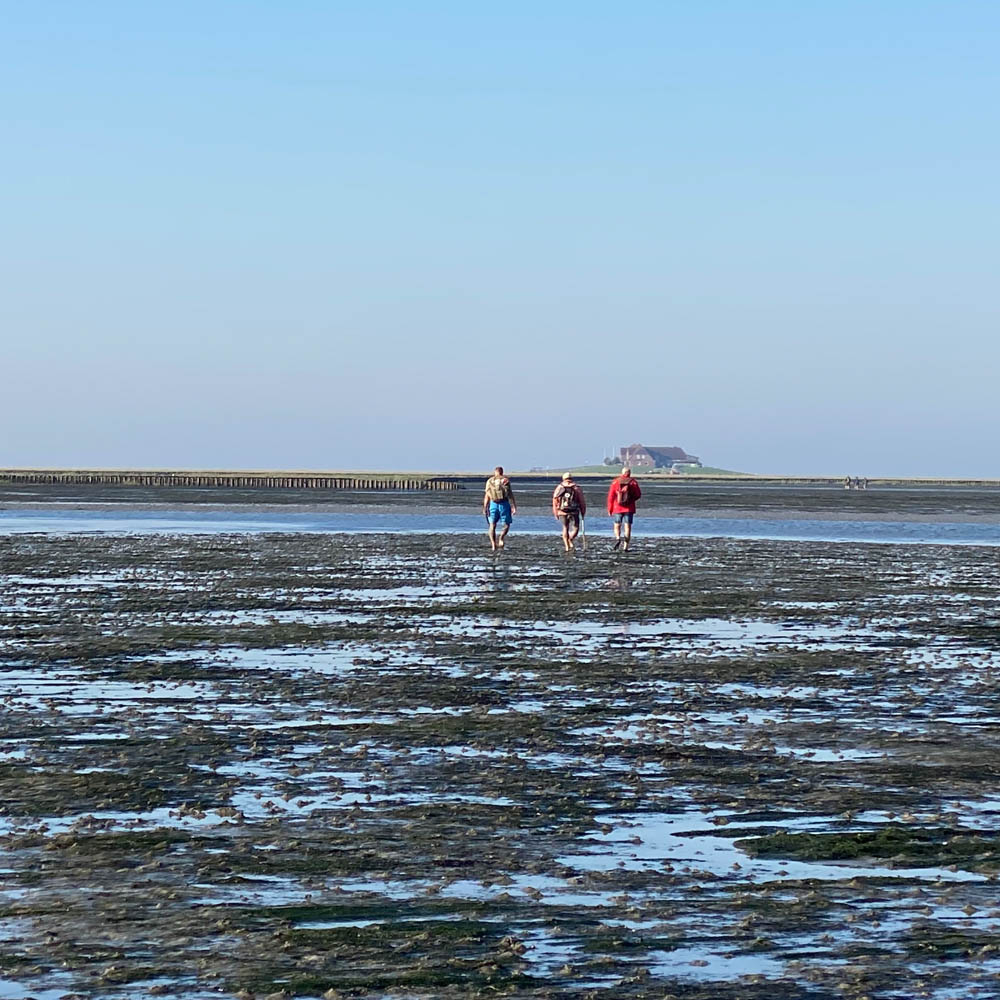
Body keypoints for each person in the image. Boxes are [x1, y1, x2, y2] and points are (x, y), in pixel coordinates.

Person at [482, 466, 517, 551]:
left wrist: (513, 505)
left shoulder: (505, 481)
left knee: (505, 524)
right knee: (492, 525)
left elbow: (510, 493)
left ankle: (501, 538)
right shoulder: (490, 481)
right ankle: (494, 544)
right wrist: (485, 507)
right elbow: (487, 495)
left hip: (503, 503)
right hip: (494, 503)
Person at [607, 466, 641, 550]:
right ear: (629, 473)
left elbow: (611, 496)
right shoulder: (633, 482)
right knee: (627, 527)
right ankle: (625, 547)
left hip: (617, 507)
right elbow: (638, 495)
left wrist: (610, 508)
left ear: (622, 473)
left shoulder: (616, 482)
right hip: (629, 508)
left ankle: (618, 538)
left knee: (617, 525)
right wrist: (631, 500)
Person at [552, 472, 586, 552]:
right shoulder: (576, 488)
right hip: (574, 511)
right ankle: (570, 539)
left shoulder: (559, 487)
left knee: (565, 528)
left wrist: (555, 512)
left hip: (562, 511)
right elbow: (582, 501)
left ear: (563, 478)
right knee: (576, 528)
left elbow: (555, 500)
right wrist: (583, 511)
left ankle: (567, 546)